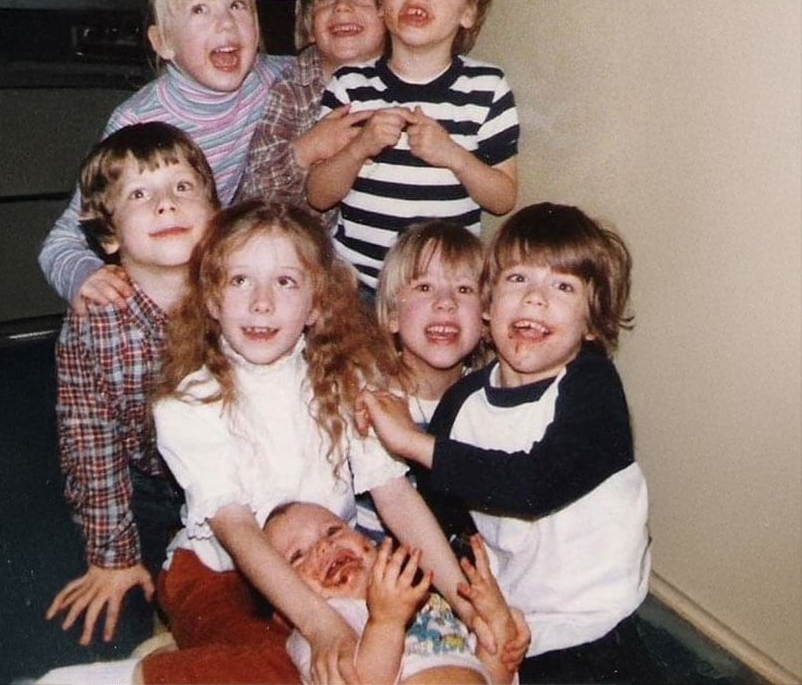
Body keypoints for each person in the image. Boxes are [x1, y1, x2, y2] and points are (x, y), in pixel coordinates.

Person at [138, 200, 521, 684]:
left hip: (325, 563)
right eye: (240, 281)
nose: (262, 302)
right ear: (212, 300)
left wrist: (466, 605)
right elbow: (237, 530)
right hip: (221, 570)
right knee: (274, 670)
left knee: (410, 644)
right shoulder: (188, 402)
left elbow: (394, 495)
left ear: (316, 304)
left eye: (285, 282)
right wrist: (322, 627)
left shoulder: (347, 376)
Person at [359, 202, 654, 683]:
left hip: (598, 622)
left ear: (591, 324)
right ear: (489, 306)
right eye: (518, 279)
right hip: (510, 613)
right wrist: (473, 597)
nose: (535, 299)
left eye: (563, 286)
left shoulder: (593, 387)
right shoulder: (463, 402)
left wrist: (413, 441)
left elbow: (532, 484)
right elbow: (442, 515)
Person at [39, 0, 290, 315]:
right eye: (199, 9)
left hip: (218, 285)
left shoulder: (274, 79)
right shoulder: (135, 122)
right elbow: (61, 241)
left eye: (238, 6)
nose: (226, 23)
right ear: (163, 43)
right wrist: (83, 276)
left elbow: (326, 66)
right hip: (150, 294)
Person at [46, 122, 221, 649]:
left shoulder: (237, 294)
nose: (167, 204)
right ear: (109, 235)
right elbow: (90, 442)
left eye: (183, 187)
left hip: (232, 469)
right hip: (145, 478)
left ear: (214, 214)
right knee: (134, 595)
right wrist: (112, 557)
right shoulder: (94, 323)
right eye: (140, 195)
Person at [306, 0, 520, 294]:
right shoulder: (349, 84)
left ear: (468, 12)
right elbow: (318, 194)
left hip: (444, 290)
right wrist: (360, 147)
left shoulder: (487, 88)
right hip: (357, 287)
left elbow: (503, 197)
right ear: (381, 2)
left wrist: (452, 155)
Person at [264, 501, 521, 684]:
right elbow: (359, 680)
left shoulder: (430, 603)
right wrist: (386, 622)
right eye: (297, 556)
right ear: (284, 611)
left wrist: (498, 621)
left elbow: (493, 675)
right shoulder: (320, 630)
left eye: (333, 530)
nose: (324, 545)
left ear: (372, 544)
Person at [236, 0, 385, 231]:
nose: (342, 7)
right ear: (309, 24)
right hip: (297, 242)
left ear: (388, 14)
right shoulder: (292, 89)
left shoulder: (402, 83)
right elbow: (255, 195)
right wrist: (309, 148)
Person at [356, 219, 488, 540]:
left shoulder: (488, 399)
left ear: (486, 320)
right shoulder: (371, 396)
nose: (446, 302)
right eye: (425, 287)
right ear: (392, 316)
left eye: (464, 289)